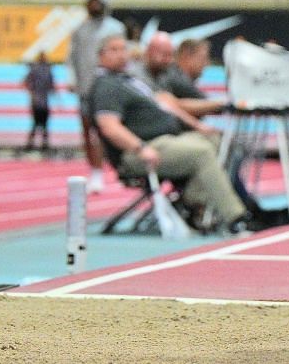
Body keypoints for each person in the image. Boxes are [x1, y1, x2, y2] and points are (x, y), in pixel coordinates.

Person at [89, 34, 271, 231]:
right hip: (142, 150)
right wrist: (140, 148)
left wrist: (198, 126)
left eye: (123, 49)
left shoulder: (129, 80)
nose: (121, 55)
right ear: (100, 56)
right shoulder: (105, 86)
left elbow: (168, 104)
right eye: (113, 50)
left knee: (220, 141)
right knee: (201, 152)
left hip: (168, 140)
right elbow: (109, 126)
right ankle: (236, 217)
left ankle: (196, 199)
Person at [66, 0, 125, 188]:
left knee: (109, 129)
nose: (94, 7)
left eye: (98, 3)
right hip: (85, 87)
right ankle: (95, 170)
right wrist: (72, 79)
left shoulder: (115, 28)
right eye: (91, 3)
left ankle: (119, 168)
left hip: (108, 86)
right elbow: (71, 57)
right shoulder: (80, 30)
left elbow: (123, 57)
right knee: (87, 131)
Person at [22, 54, 55, 152]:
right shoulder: (48, 71)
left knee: (35, 123)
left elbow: (25, 83)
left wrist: (32, 91)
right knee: (44, 124)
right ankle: (44, 145)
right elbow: (52, 87)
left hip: (35, 101)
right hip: (44, 102)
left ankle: (30, 144)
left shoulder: (33, 70)